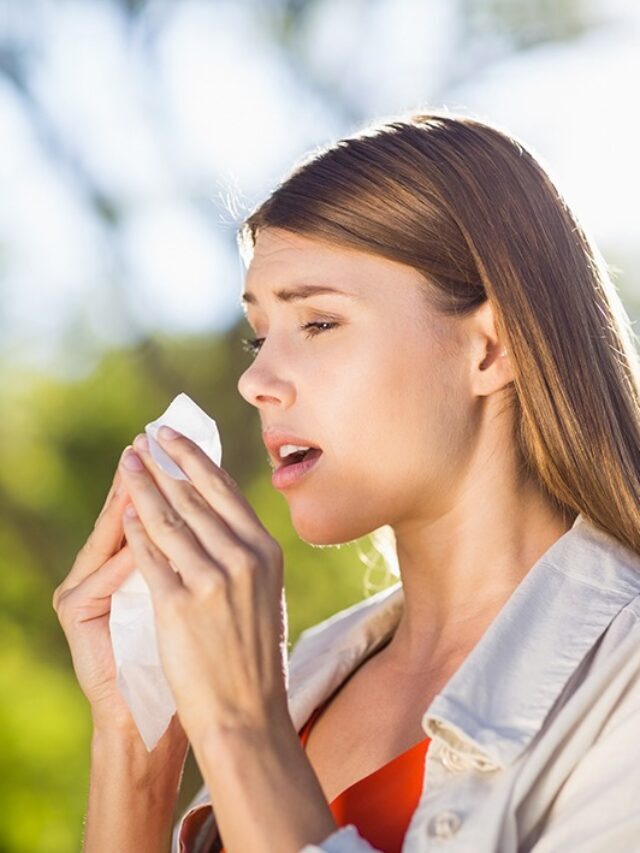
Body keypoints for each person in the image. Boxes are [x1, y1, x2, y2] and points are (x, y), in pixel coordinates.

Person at [53, 110, 640, 853]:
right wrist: (138, 744)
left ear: (491, 348)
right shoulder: (306, 679)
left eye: (319, 323)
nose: (256, 380)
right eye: (258, 336)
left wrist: (241, 727)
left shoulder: (623, 681)